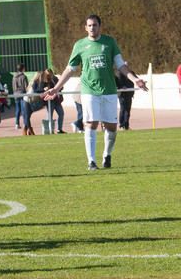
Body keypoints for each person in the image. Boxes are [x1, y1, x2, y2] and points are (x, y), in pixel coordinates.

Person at [44, 14, 147, 170]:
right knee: (91, 124)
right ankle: (91, 161)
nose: (92, 28)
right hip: (89, 91)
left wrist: (135, 79)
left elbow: (120, 64)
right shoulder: (80, 45)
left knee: (111, 126)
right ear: (86, 28)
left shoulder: (109, 42)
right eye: (89, 25)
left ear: (100, 26)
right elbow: (70, 69)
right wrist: (56, 88)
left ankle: (107, 155)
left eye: (95, 25)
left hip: (109, 90)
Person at [42, 69, 66, 134]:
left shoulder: (56, 79)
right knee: (49, 116)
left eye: (50, 73)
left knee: (61, 113)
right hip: (50, 101)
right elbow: (42, 89)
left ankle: (59, 129)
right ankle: (49, 130)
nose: (49, 75)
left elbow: (61, 87)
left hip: (57, 101)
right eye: (48, 74)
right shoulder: (44, 81)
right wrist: (46, 89)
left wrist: (58, 89)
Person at [12, 63, 28, 130]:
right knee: (23, 109)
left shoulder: (14, 76)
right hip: (22, 94)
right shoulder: (24, 76)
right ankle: (25, 123)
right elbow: (26, 86)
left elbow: (13, 86)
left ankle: (17, 123)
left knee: (17, 109)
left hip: (16, 94)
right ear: (23, 68)